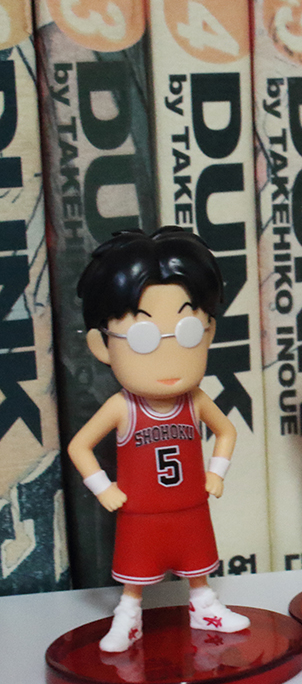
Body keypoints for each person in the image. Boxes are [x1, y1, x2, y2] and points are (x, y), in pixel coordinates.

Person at [68, 228, 246, 653]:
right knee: (135, 575)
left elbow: (227, 430)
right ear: (102, 346)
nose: (168, 355)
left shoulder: (195, 399)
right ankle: (128, 616)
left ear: (208, 332)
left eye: (187, 333)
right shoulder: (122, 407)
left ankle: (204, 605)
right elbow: (79, 446)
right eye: (144, 338)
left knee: (197, 564)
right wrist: (103, 487)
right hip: (140, 513)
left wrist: (217, 472)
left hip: (190, 506)